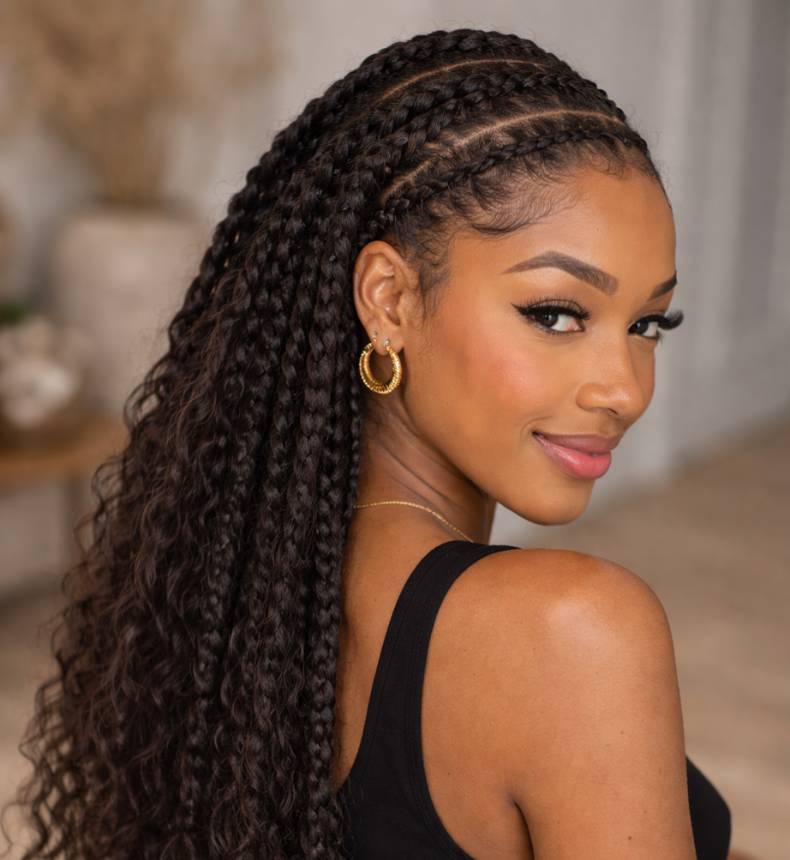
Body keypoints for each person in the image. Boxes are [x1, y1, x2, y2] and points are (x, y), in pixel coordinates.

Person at [5, 27, 739, 860]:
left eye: (649, 323)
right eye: (556, 313)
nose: (627, 388)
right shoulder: (573, 632)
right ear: (388, 298)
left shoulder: (237, 583)